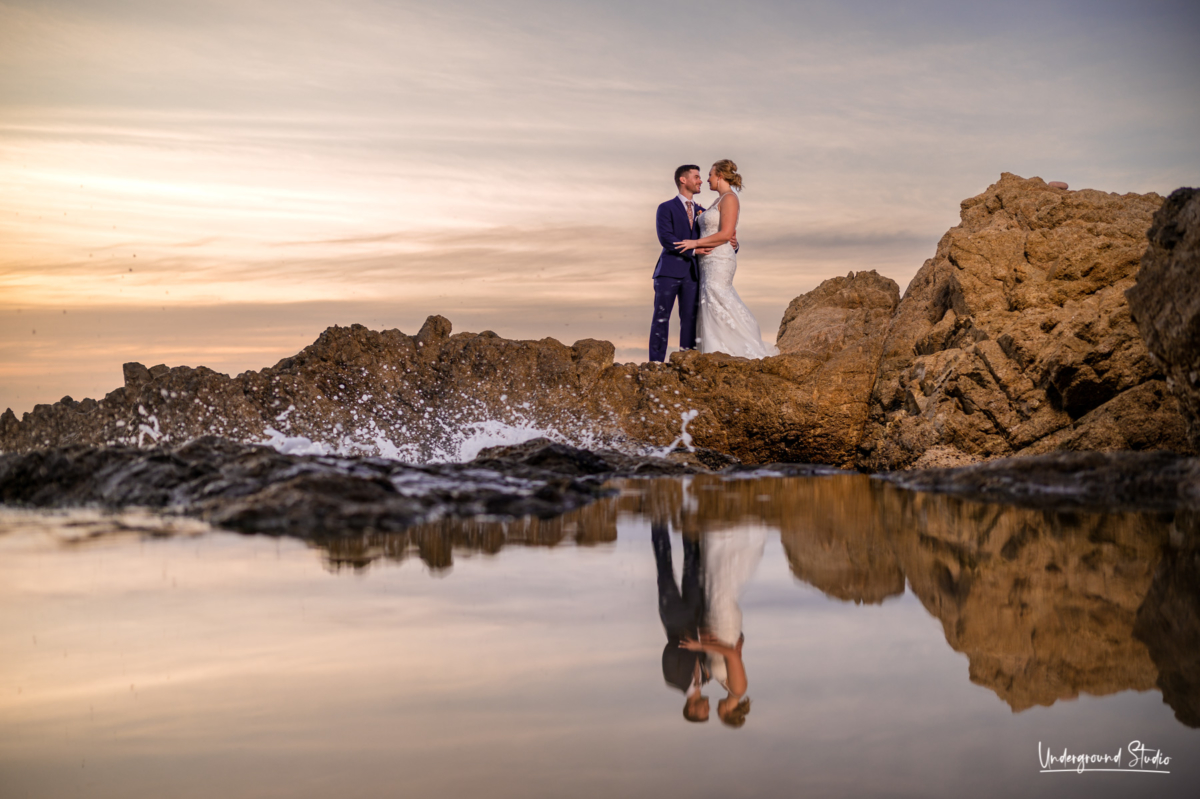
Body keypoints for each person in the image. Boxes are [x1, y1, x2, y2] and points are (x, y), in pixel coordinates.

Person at [674, 160, 779, 359]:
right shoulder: (717, 201)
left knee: (719, 296)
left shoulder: (730, 198)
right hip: (707, 261)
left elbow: (725, 234)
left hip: (720, 259)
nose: (707, 179)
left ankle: (739, 346)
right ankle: (714, 349)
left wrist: (693, 243)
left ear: (720, 176)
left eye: (711, 175)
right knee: (709, 300)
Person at [680, 525, 765, 728]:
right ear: (728, 713)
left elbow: (733, 652)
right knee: (722, 581)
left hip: (720, 628)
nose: (716, 712)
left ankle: (720, 531)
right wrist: (700, 647)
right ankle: (727, 532)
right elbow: (732, 655)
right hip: (725, 625)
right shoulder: (738, 689)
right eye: (720, 715)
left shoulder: (728, 687)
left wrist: (710, 640)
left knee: (715, 580)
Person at [652, 522, 711, 722]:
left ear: (692, 710)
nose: (708, 709)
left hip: (674, 617)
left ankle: (658, 520)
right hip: (695, 614)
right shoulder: (705, 677)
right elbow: (704, 646)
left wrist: (689, 647)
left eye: (704, 712)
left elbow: (668, 651)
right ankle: (689, 520)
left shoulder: (673, 680)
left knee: (664, 567)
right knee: (694, 565)